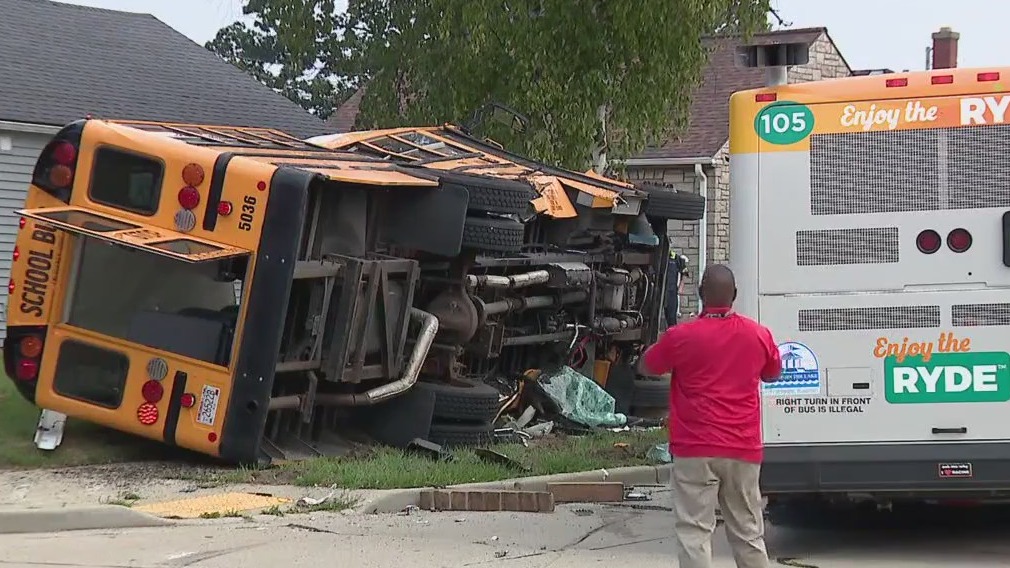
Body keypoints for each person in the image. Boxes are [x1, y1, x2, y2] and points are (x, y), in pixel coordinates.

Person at [638, 264, 782, 568]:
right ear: (735, 296)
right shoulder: (757, 334)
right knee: (748, 531)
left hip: (695, 448)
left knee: (694, 531)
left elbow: (647, 366)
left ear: (701, 294)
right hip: (742, 449)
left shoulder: (681, 336)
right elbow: (773, 373)